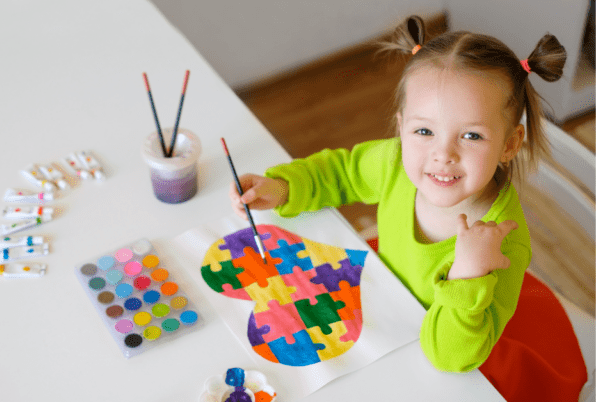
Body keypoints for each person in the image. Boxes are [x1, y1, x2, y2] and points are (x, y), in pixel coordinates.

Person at [230, 16, 584, 401]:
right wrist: (283, 187)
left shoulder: (502, 244)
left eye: (471, 135)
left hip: (463, 346)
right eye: (424, 131)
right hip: (387, 302)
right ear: (401, 128)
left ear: (510, 144)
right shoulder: (396, 161)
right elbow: (342, 173)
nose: (443, 154)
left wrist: (467, 275)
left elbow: (449, 356)